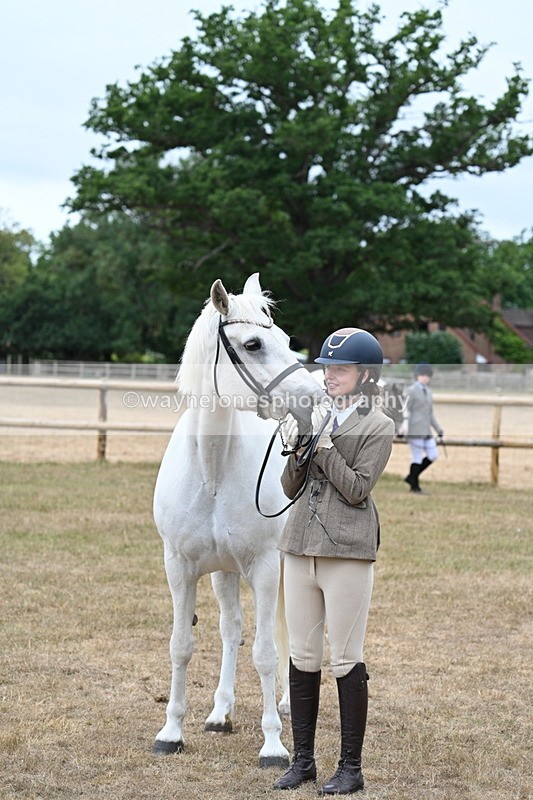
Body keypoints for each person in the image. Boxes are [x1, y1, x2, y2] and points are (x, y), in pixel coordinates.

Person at [273, 328, 395, 795]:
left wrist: (323, 448)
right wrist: (299, 448)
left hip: (347, 550)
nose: (330, 376)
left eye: (340, 369)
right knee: (302, 655)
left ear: (365, 375)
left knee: (345, 657)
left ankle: (350, 767)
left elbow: (357, 489)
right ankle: (302, 760)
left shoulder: (378, 426)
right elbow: (289, 487)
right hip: (300, 543)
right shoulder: (315, 416)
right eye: (327, 368)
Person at [399, 362, 444, 494]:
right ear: (417, 375)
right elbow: (404, 410)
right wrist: (403, 426)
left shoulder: (429, 392)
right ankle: (415, 486)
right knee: (417, 457)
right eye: (422, 375)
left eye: (427, 375)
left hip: (426, 430)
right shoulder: (411, 391)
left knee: (433, 454)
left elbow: (430, 413)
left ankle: (411, 477)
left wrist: (438, 429)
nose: (425, 378)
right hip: (414, 429)